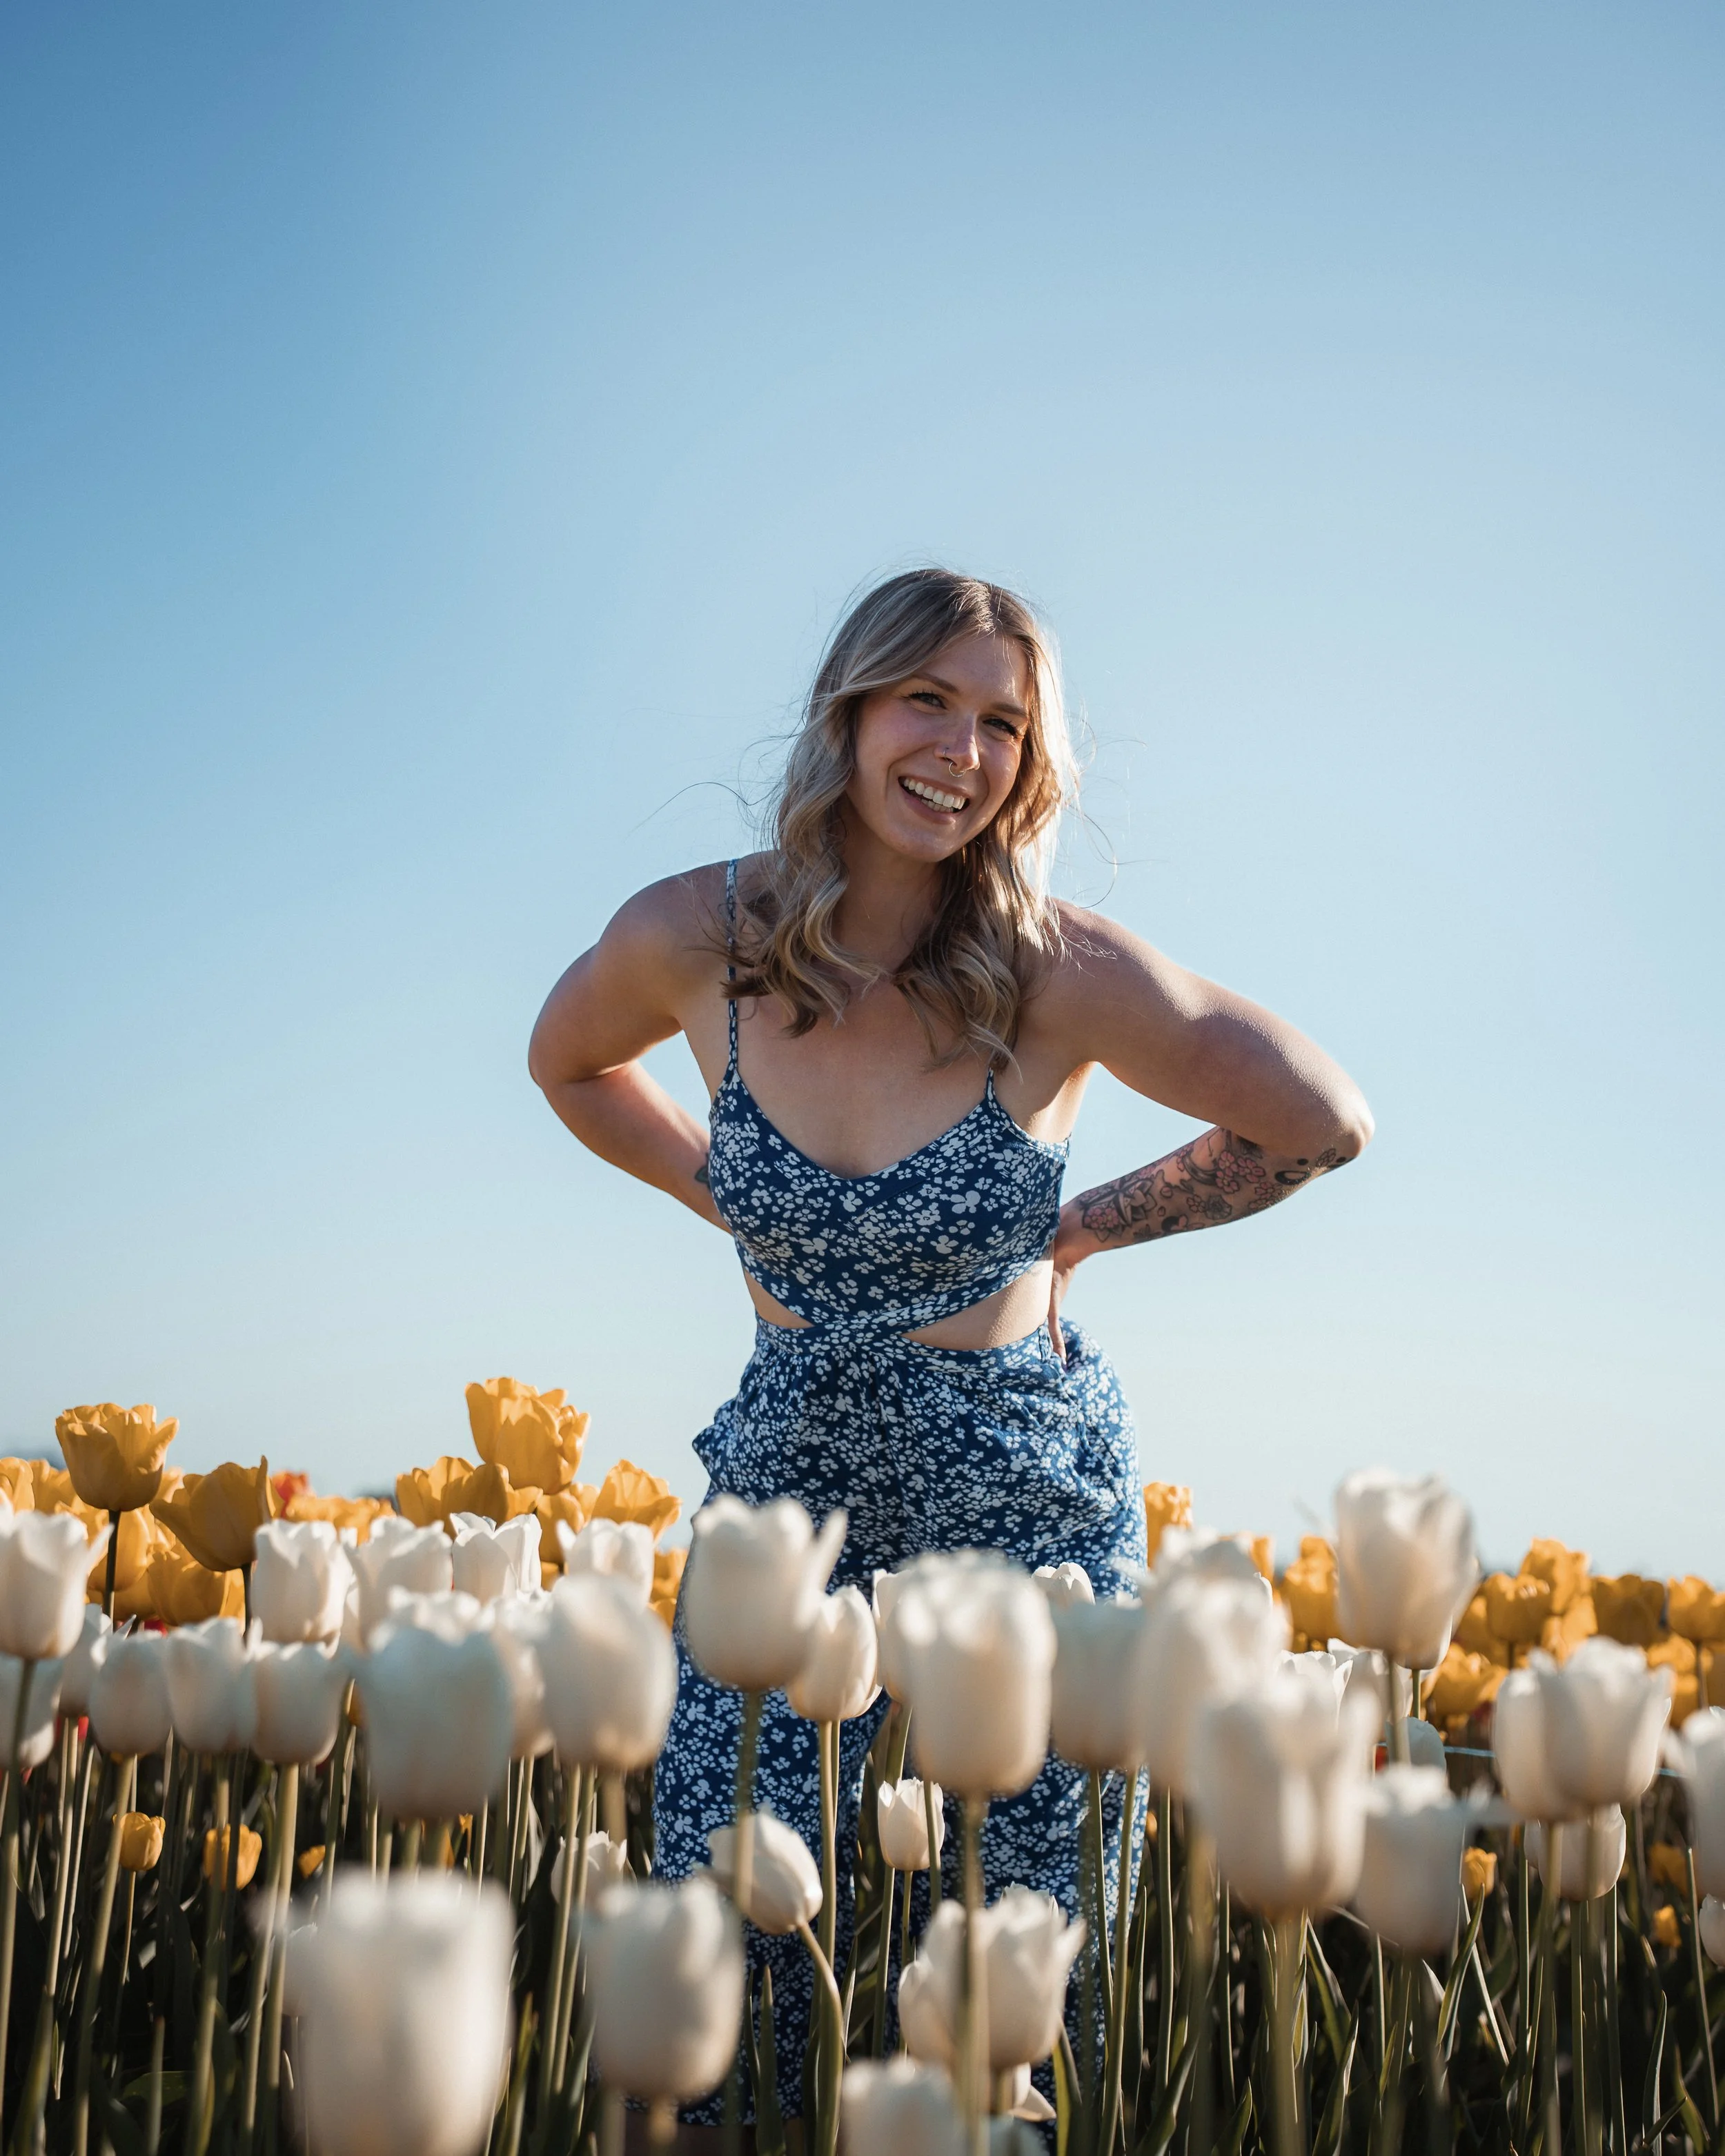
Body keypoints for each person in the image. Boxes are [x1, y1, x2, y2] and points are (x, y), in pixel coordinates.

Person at [529, 568, 1373, 2136]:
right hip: (784, 1486)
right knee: (724, 1932)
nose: (959, 749)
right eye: (928, 699)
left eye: (1002, 721)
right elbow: (564, 1059)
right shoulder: (690, 936)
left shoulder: (1058, 964)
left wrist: (1097, 1222)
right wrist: (722, 1191)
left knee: (1014, 1979)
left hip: (1018, 1496)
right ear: (847, 711)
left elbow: (1319, 1118)